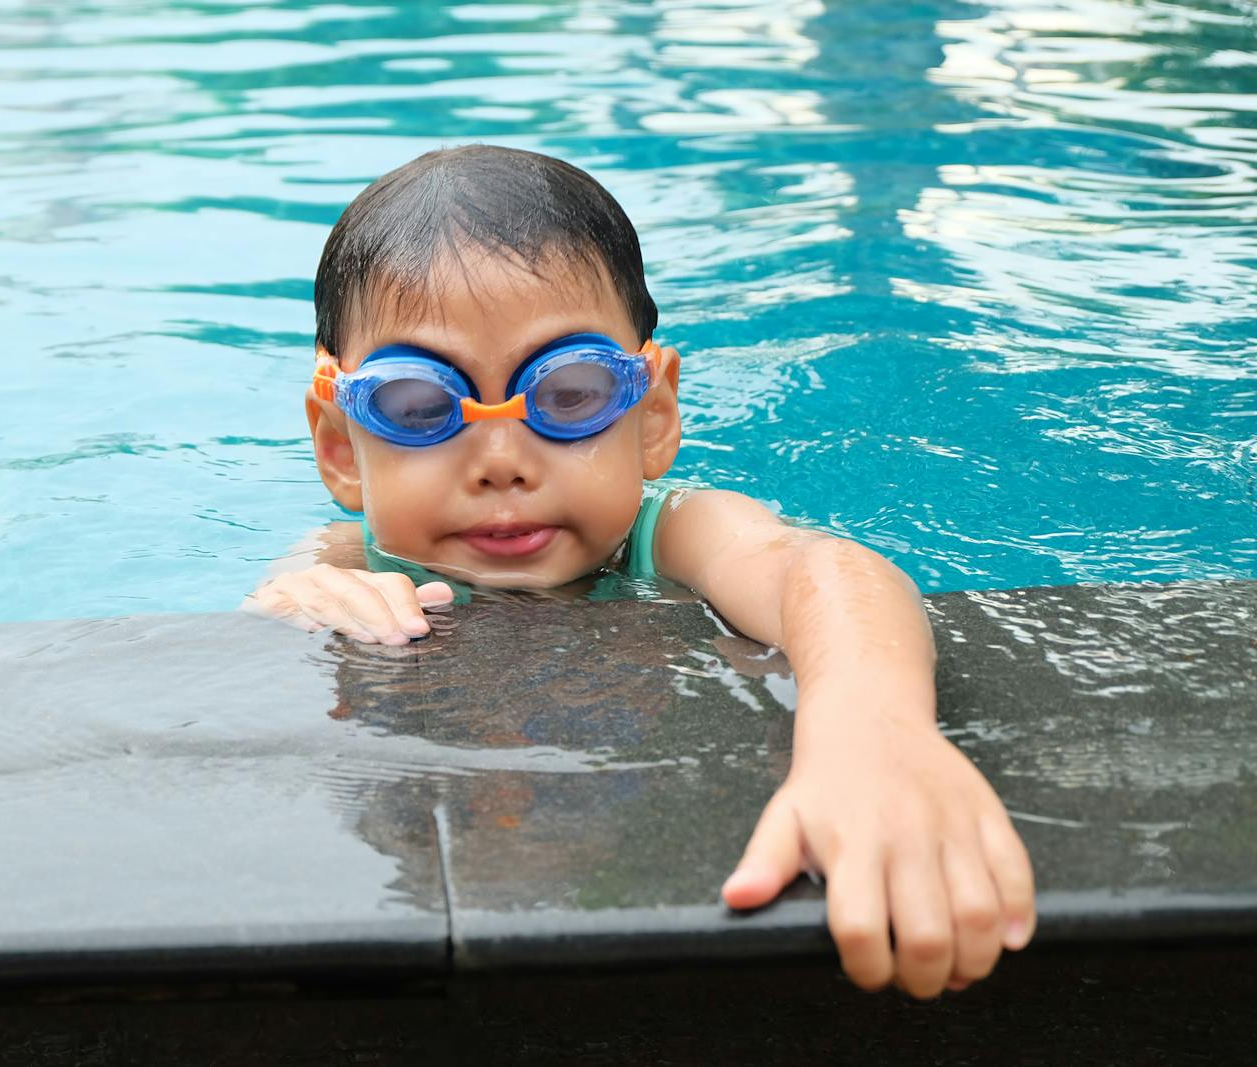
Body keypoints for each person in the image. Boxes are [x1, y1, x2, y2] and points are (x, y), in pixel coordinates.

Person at [244, 144, 1035, 998]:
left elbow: (825, 570)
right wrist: (296, 607)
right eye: (421, 406)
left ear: (652, 416)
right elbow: (264, 623)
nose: (502, 462)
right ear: (340, 446)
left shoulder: (680, 532)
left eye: (570, 392)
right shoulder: (348, 554)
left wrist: (872, 733)